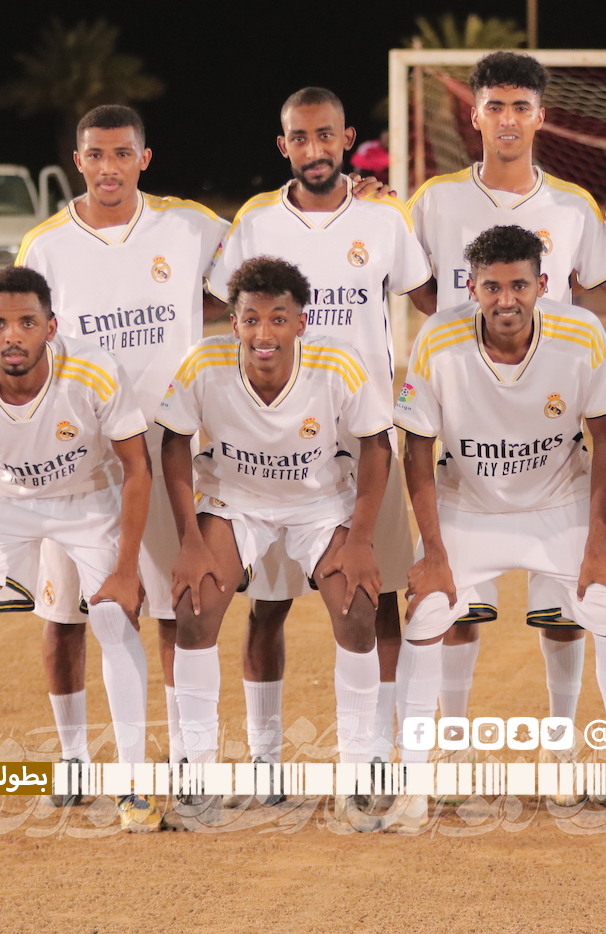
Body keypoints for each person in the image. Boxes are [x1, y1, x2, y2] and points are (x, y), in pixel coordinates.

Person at [385, 224, 606, 832]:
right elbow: (415, 449)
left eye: (520, 286)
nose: (507, 300)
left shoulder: (581, 333)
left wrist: (597, 544)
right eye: (492, 287)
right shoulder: (436, 337)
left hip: (559, 503)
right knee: (427, 614)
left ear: (542, 285)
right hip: (469, 505)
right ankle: (415, 787)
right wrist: (433, 552)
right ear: (472, 288)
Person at [407, 51, 606, 771]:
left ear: (541, 116)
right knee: (456, 610)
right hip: (466, 433)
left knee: (565, 613)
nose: (507, 120)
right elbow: (419, 289)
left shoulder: (572, 206)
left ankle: (561, 749)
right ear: (474, 114)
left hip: (549, 437)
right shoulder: (436, 201)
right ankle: (452, 753)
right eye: (495, 106)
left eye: (520, 107)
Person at [205, 87, 432, 773]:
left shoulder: (383, 218)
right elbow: (222, 311)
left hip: (365, 443)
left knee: (375, 599)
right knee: (267, 608)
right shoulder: (254, 223)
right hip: (272, 448)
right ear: (284, 146)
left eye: (326, 135)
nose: (314, 149)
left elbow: (431, 299)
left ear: (346, 139)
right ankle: (265, 759)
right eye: (300, 138)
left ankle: (377, 754)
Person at [14, 104, 227, 780]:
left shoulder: (189, 226)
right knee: (66, 615)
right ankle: (74, 761)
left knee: (175, 606)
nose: (109, 168)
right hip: (79, 458)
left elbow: (267, 256)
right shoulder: (45, 245)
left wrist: (358, 194)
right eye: (96, 155)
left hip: (167, 449)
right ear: (78, 161)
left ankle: (187, 758)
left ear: (144, 158)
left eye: (122, 154)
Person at [0, 267, 156, 831]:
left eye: (26, 323)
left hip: (88, 498)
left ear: (51, 327)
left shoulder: (93, 370)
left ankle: (134, 786)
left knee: (112, 618)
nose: (12, 335)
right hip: (4, 499)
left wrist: (125, 568)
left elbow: (138, 467)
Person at [157, 256, 393, 830]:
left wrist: (361, 539)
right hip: (235, 500)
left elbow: (378, 444)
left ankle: (357, 776)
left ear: (300, 322)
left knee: (359, 607)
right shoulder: (204, 364)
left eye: (278, 319)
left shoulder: (338, 363)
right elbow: (173, 443)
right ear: (234, 322)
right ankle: (198, 780)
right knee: (194, 607)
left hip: (320, 502)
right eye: (251, 319)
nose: (264, 333)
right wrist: (190, 539)